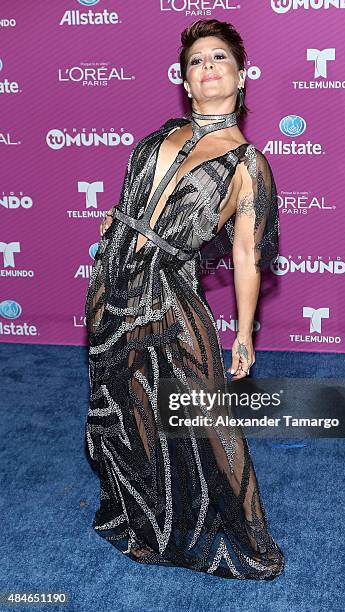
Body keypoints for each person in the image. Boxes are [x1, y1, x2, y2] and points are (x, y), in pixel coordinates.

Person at [84, 18, 284, 581]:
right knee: (126, 407)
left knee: (201, 411)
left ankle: (248, 537)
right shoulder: (160, 133)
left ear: (241, 77)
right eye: (197, 61)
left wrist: (244, 334)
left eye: (219, 58)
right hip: (111, 288)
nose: (208, 68)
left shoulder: (249, 167)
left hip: (168, 298)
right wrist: (115, 226)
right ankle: (145, 515)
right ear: (186, 81)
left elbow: (245, 257)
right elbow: (132, 203)